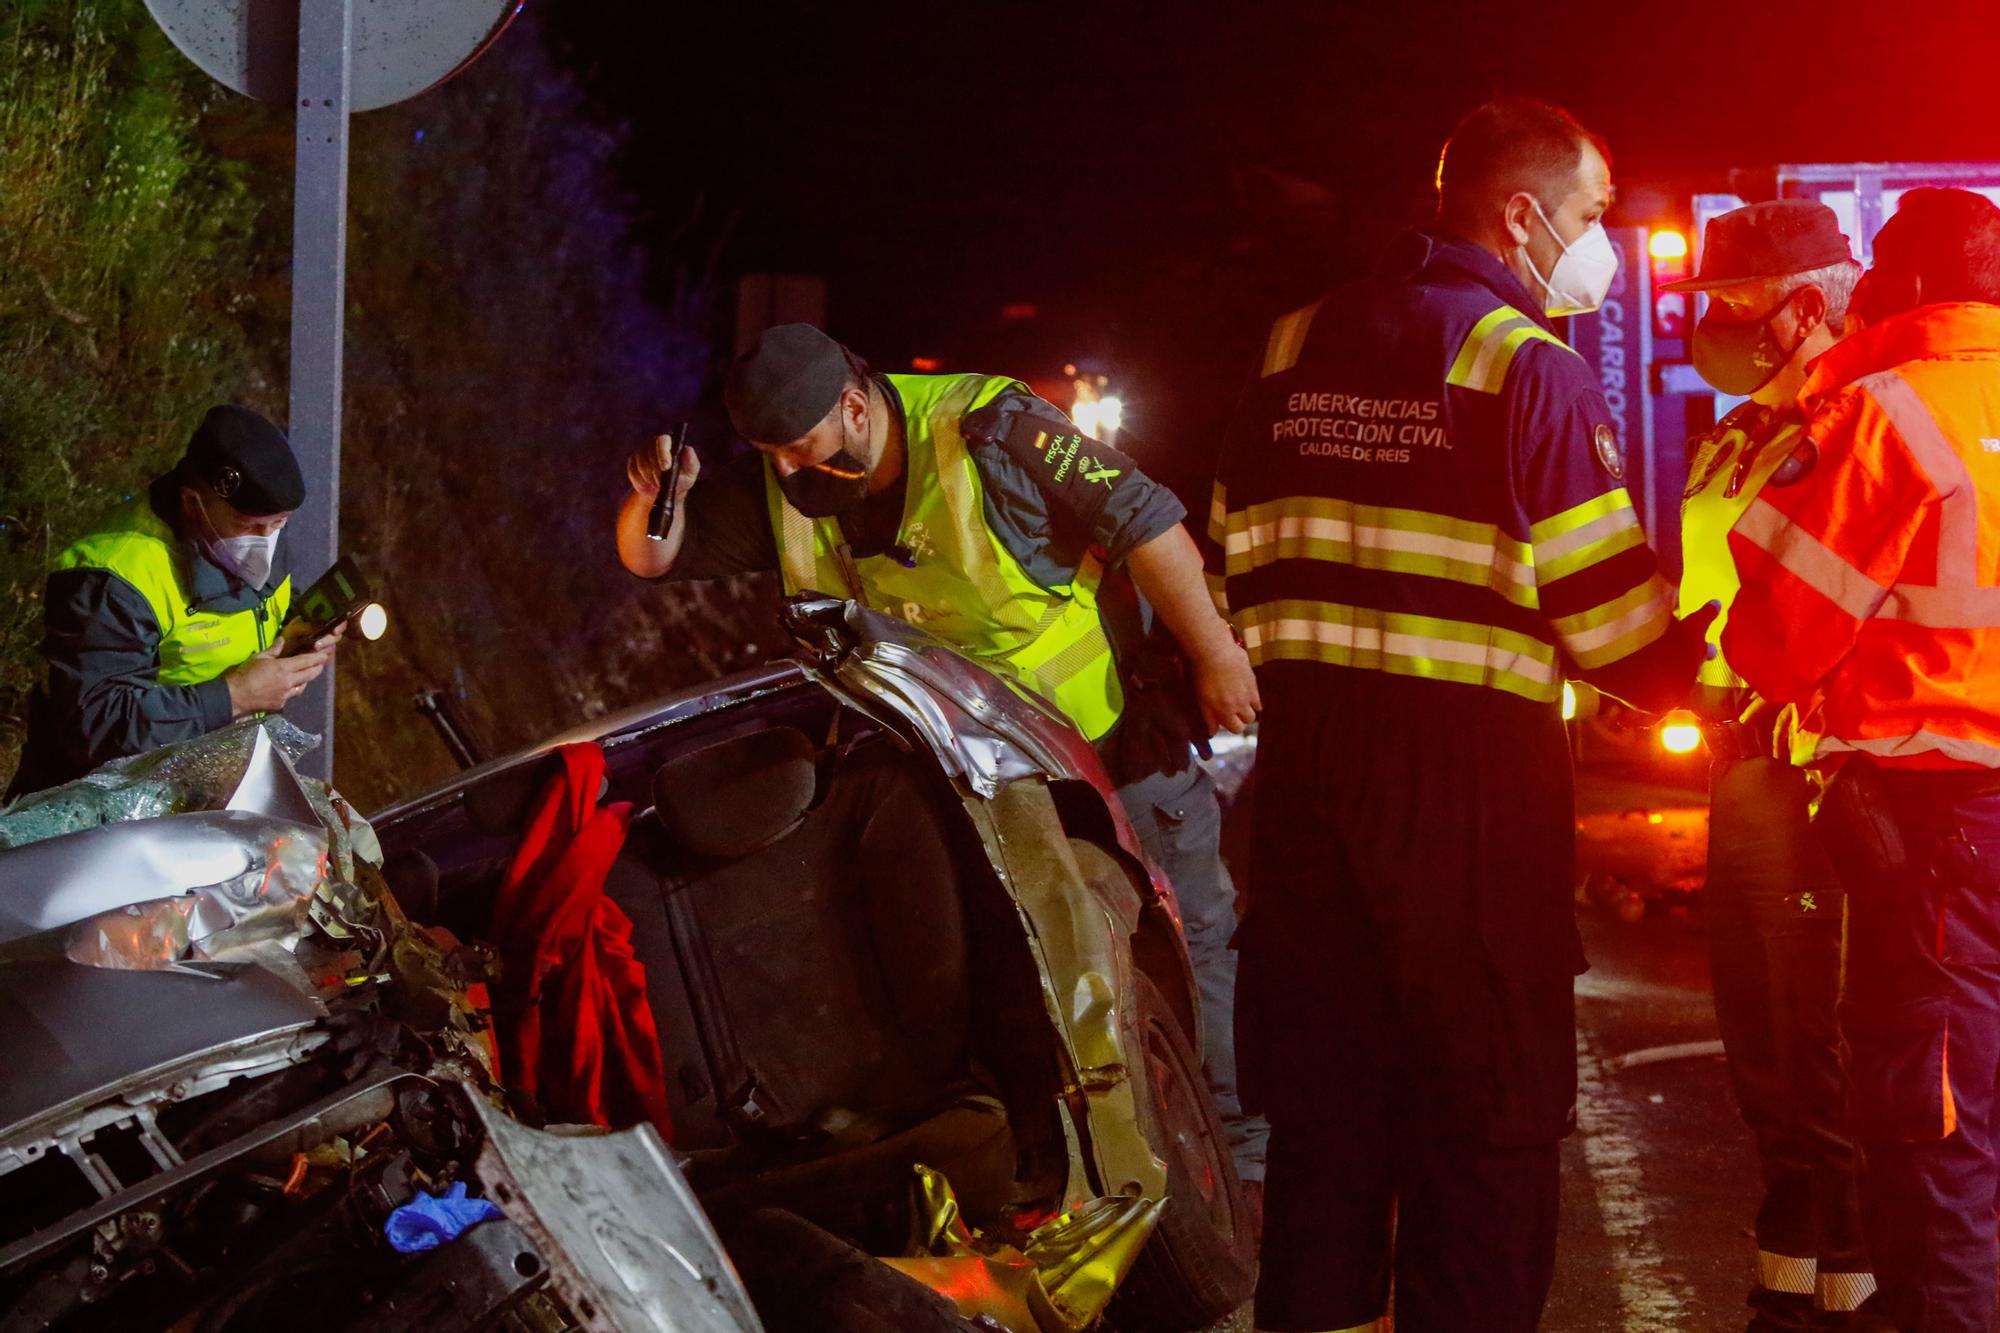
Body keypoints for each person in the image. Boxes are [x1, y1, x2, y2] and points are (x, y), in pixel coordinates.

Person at [1208, 97, 1713, 1333]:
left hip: (1309, 778)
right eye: (1594, 214)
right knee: (1484, 1123)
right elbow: (1602, 622)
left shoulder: (1288, 344)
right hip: (1468, 791)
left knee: (1327, 1119)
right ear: (1520, 211)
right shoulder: (1520, 366)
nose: (1601, 241)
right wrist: (1695, 671)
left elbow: (1235, 551)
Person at [616, 324, 1270, 1190]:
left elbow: (1145, 518)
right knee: (1032, 972)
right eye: (768, 453)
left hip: (1111, 739)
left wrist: (1217, 655)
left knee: (1197, 940)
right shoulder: (794, 482)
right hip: (976, 782)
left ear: (854, 405)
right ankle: (1080, 1167)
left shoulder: (992, 428)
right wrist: (657, 494)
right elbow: (653, 557)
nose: (784, 469)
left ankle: (1247, 1162)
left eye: (798, 445)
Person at [1724, 187, 2000, 1333]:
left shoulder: (1882, 415)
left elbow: (1773, 639)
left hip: (1935, 826)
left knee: (1933, 1123)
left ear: (1893, 289)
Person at [1667, 199, 1875, 1330]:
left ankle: (1852, 1262)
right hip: (1743, 767)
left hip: (1820, 776)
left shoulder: (1853, 424)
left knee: (1818, 1020)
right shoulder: (1735, 432)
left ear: (1806, 305)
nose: (1714, 324)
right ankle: (1788, 1259)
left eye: (1733, 305)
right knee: (1756, 1022)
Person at [8, 405, 335, 799]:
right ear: (191, 503)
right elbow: (95, 723)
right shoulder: (115, 577)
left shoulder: (253, 536)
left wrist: (299, 633)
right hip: (95, 810)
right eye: (247, 526)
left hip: (201, 789)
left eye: (279, 523)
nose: (264, 541)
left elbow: (256, 611)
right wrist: (234, 696)